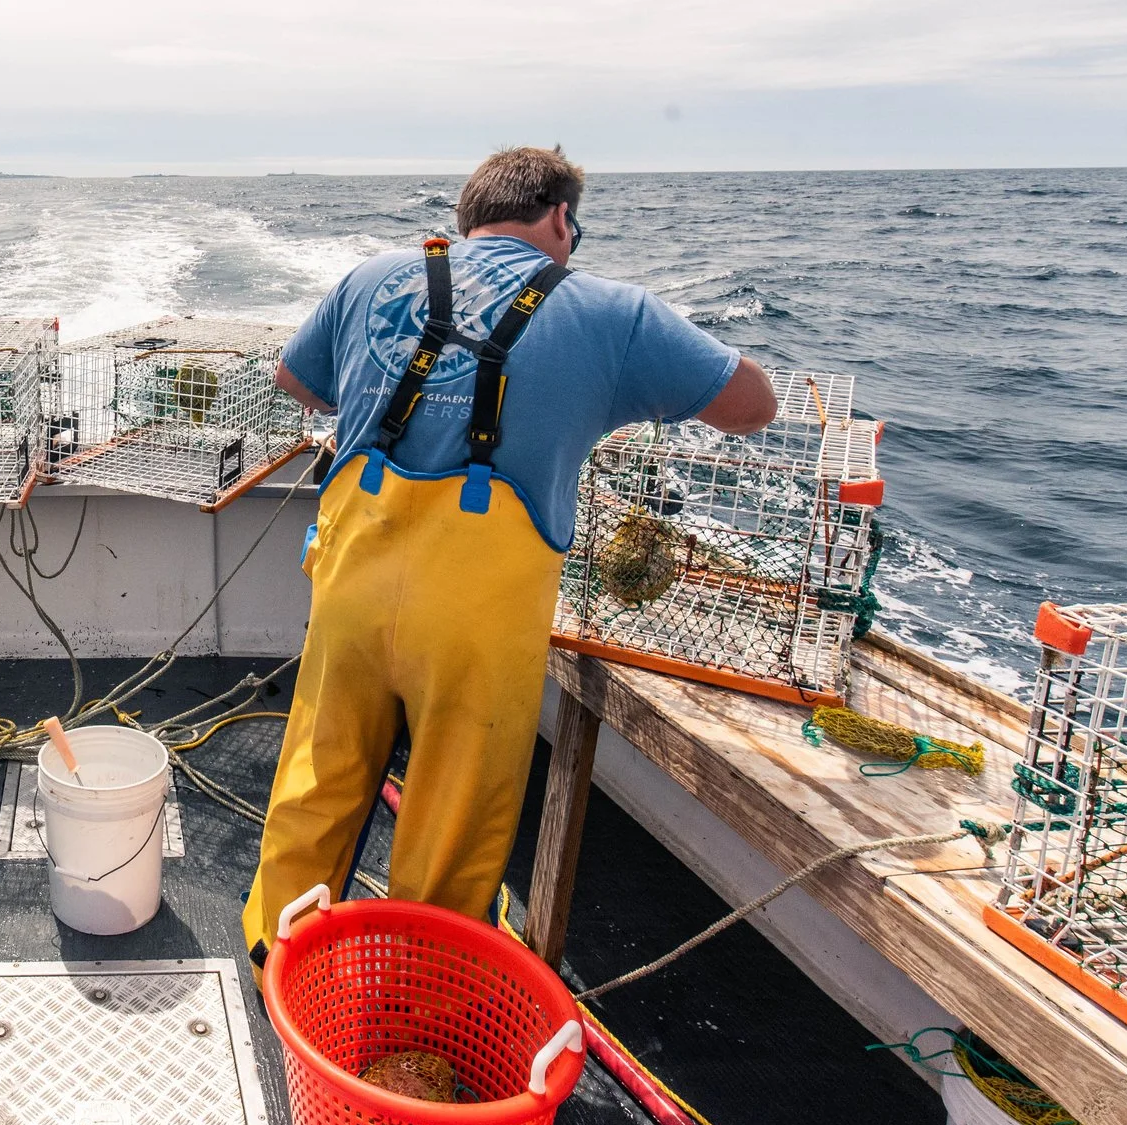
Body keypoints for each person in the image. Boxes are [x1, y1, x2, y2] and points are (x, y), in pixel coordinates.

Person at [244, 145, 777, 963]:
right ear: (561, 218)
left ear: (469, 219)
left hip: (351, 587)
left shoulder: (370, 278)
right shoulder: (614, 314)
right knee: (455, 822)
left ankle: (272, 959)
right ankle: (419, 1007)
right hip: (477, 623)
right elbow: (752, 405)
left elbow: (293, 377)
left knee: (317, 779)